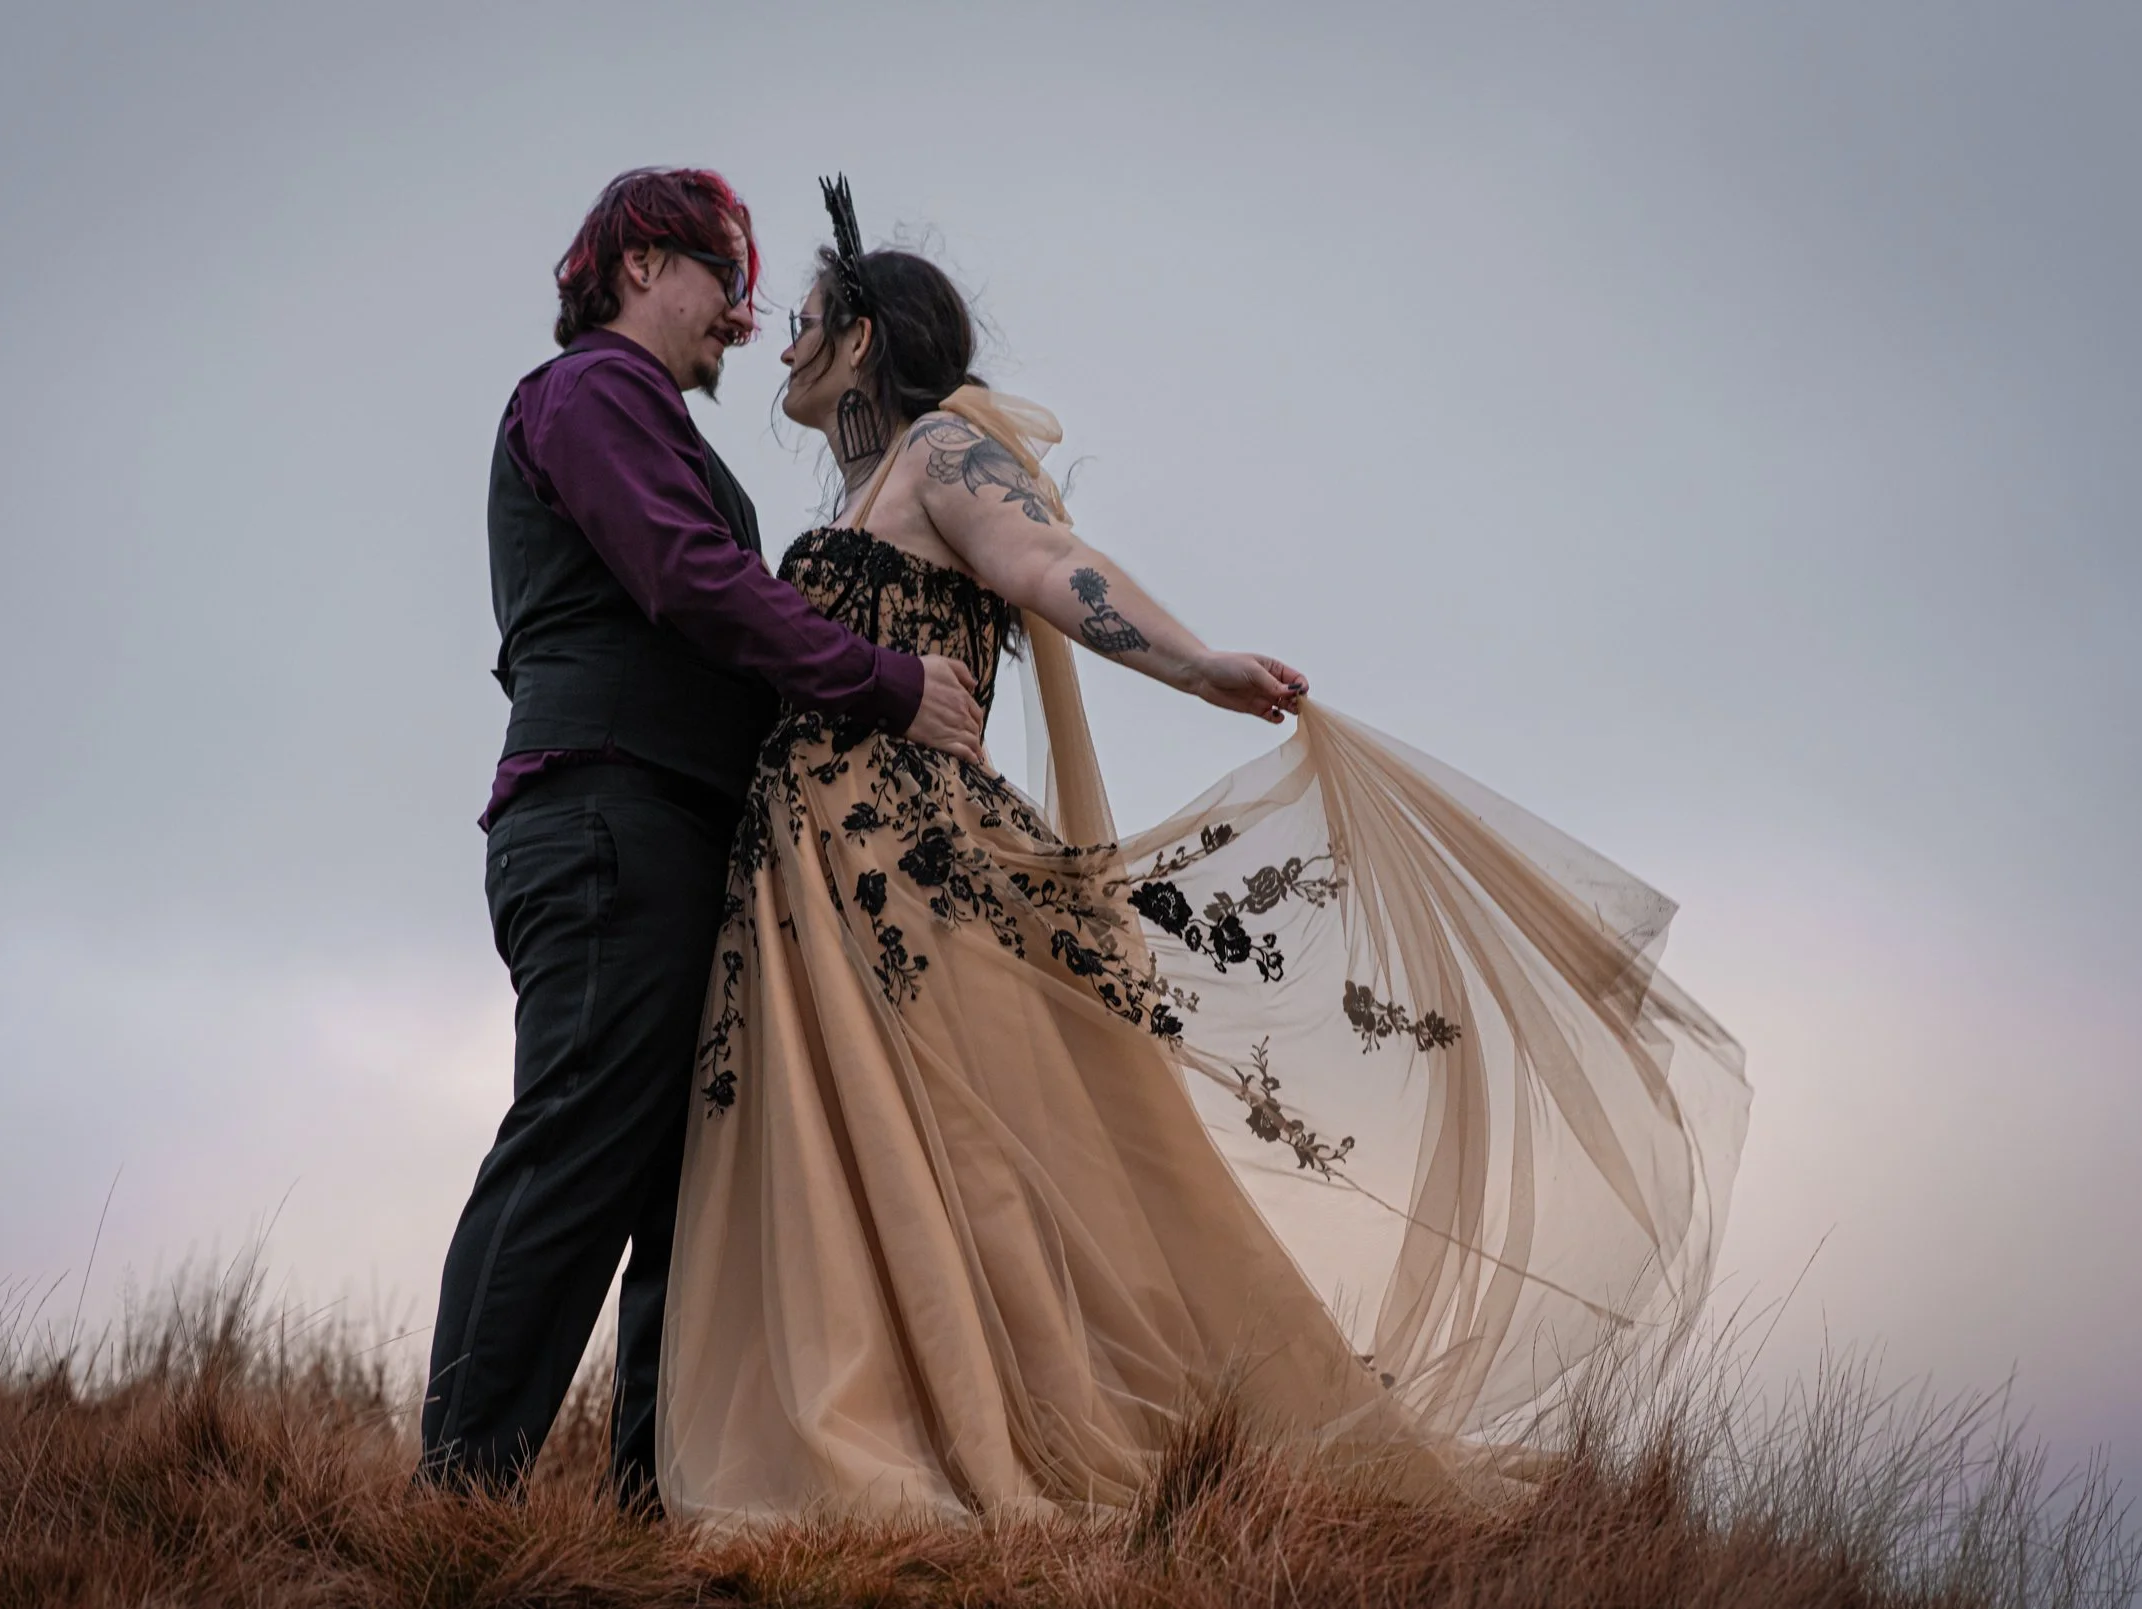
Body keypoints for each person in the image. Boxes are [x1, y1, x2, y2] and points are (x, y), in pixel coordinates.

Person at [653, 180, 1752, 1521]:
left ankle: (1017, 1443)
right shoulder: (844, 503)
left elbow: (1050, 563)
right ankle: (881, 1432)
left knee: (976, 1156)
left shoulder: (944, 455)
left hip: (904, 860)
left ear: (865, 338)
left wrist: (1197, 663)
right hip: (804, 871)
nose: (785, 343)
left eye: (811, 319)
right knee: (843, 1163)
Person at [420, 167, 988, 1502]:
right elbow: (691, 577)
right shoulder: (591, 395)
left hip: (667, 829)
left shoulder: (647, 418)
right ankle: (457, 1505)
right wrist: (892, 682)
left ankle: (649, 1503)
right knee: (581, 1142)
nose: (738, 314)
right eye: (715, 280)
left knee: (680, 1184)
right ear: (632, 267)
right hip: (610, 815)